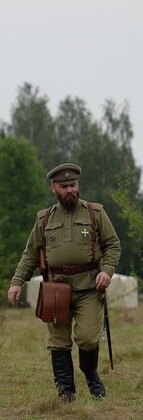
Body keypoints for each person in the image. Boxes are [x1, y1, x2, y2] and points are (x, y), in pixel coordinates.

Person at [7, 163, 121, 402]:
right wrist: (17, 282)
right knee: (58, 342)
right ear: (54, 189)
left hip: (89, 287)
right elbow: (30, 254)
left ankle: (90, 373)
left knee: (89, 338)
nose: (70, 189)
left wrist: (107, 271)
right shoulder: (44, 218)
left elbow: (113, 245)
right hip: (56, 290)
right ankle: (66, 391)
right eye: (64, 186)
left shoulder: (95, 213)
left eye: (73, 185)